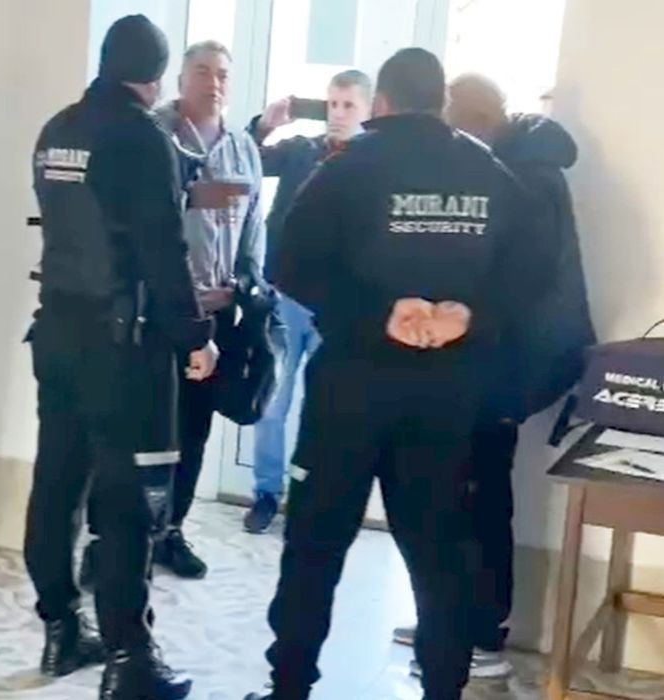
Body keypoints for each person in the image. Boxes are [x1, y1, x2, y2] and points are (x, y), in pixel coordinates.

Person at [245, 48, 557, 700]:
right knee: (441, 555)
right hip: (447, 394)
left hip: (350, 392)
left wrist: (379, 315)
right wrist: (467, 316)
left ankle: (289, 686)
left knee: (315, 548)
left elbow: (289, 263)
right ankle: (443, 687)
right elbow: (534, 274)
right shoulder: (489, 171)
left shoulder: (347, 167)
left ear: (382, 103)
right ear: (440, 102)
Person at [25, 15, 217, 699]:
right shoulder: (141, 137)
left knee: (56, 484)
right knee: (128, 502)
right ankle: (130, 660)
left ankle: (61, 628)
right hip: (122, 347)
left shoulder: (58, 130)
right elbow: (163, 250)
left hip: (57, 332)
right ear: (155, 77)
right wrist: (195, 337)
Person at [390, 72, 595, 679]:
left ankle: (480, 636)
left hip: (509, 361)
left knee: (479, 495)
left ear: (469, 122)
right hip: (504, 358)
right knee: (470, 489)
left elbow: (513, 281)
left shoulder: (523, 176)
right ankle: (454, 623)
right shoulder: (526, 164)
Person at [151, 40, 266, 578]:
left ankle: (171, 531)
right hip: (161, 313)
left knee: (193, 431)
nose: (213, 83)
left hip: (217, 316)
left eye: (222, 74)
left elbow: (253, 229)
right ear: (181, 79)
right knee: (145, 429)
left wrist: (249, 289)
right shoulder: (158, 137)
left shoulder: (242, 149)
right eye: (202, 72)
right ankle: (119, 537)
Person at [243, 70, 372, 534]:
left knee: (324, 409)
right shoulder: (302, 150)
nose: (338, 114)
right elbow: (246, 162)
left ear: (368, 110)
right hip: (284, 298)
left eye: (348, 105)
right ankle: (266, 492)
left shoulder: (373, 163)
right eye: (332, 104)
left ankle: (308, 496)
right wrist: (265, 125)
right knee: (272, 403)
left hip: (337, 308)